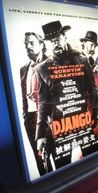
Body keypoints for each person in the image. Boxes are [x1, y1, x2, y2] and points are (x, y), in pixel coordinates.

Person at [34, 21, 98, 168]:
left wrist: (95, 111)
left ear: (64, 37)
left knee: (94, 160)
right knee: (63, 168)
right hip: (60, 124)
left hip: (84, 119)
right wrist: (40, 135)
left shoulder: (81, 60)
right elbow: (43, 102)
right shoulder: (42, 69)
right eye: (51, 42)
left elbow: (92, 87)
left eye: (57, 39)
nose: (55, 44)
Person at [20, 32, 51, 175]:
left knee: (57, 158)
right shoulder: (23, 69)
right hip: (31, 119)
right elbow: (24, 95)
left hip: (49, 119)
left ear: (42, 45)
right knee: (40, 162)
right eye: (26, 44)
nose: (27, 46)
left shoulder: (52, 63)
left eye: (31, 43)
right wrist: (25, 117)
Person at [80, 31, 98, 135]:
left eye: (95, 46)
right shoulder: (78, 60)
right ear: (84, 43)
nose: (93, 49)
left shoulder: (91, 60)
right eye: (91, 45)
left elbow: (96, 84)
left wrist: (97, 74)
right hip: (87, 109)